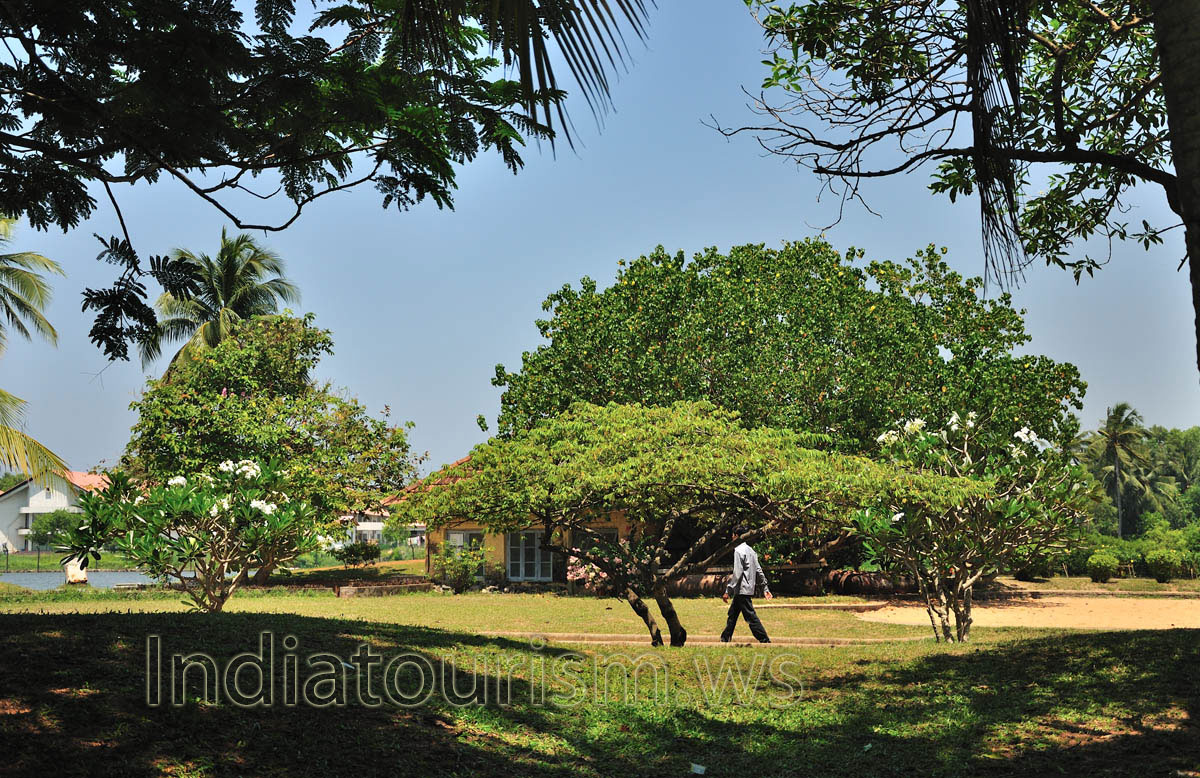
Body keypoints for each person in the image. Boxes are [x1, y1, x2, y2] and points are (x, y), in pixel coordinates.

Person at [721, 525, 773, 643]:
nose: (732, 537)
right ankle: (725, 638)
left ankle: (764, 639)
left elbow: (737, 573)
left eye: (733, 535)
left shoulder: (738, 550)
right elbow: (758, 570)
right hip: (748, 588)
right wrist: (765, 587)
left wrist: (728, 590)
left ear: (736, 536)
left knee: (750, 616)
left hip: (741, 589)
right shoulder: (751, 551)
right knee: (733, 614)